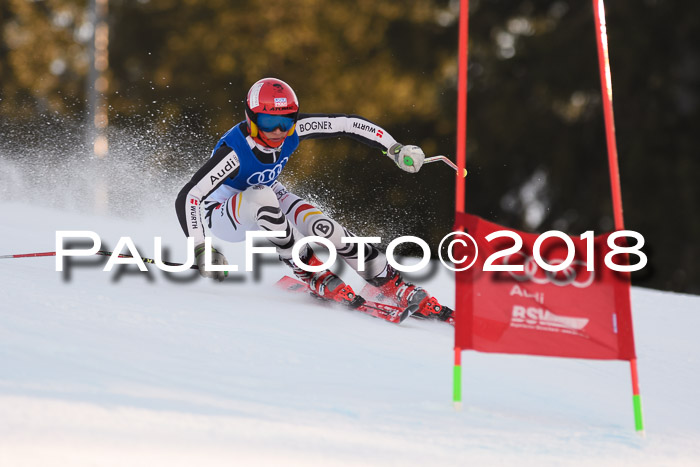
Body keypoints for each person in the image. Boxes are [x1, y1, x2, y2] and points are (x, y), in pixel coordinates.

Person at [176, 77, 451, 320]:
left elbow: (347, 124)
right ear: (251, 119)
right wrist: (201, 249)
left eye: (287, 122)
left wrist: (393, 148)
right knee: (261, 195)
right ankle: (310, 271)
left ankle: (386, 280)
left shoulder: (293, 130)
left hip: (268, 193)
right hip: (225, 213)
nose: (279, 132)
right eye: (270, 122)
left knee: (323, 227)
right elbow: (190, 195)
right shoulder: (234, 152)